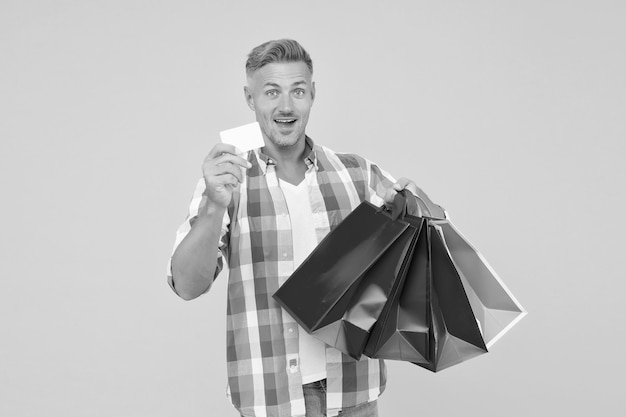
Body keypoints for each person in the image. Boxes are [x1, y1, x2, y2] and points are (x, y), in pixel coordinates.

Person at [167, 39, 445, 417]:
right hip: (271, 399)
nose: (286, 106)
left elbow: (424, 251)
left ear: (312, 94)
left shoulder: (358, 175)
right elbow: (186, 285)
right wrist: (215, 204)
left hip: (355, 395)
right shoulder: (227, 184)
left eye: (297, 91)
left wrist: (420, 207)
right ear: (250, 99)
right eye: (271, 92)